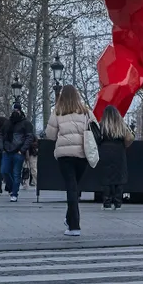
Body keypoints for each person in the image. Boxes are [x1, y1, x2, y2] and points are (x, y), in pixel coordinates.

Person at [45, 85, 92, 236]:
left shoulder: (57, 111)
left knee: (71, 188)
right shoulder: (85, 111)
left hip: (65, 155)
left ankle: (74, 226)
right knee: (75, 188)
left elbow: (50, 135)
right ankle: (69, 218)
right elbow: (95, 127)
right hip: (82, 154)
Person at [98, 106, 133, 210]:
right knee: (119, 177)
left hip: (104, 151)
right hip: (119, 151)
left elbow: (97, 138)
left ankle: (107, 202)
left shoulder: (101, 125)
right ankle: (118, 203)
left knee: (106, 177)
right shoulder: (122, 125)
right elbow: (130, 137)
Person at [0, 103, 35, 202]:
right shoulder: (7, 123)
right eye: (14, 110)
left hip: (18, 152)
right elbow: (1, 134)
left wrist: (22, 150)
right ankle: (11, 188)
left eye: (17, 110)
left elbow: (29, 137)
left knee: (16, 174)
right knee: (4, 171)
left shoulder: (26, 123)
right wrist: (2, 148)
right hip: (7, 151)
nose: (15, 111)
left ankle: (14, 193)